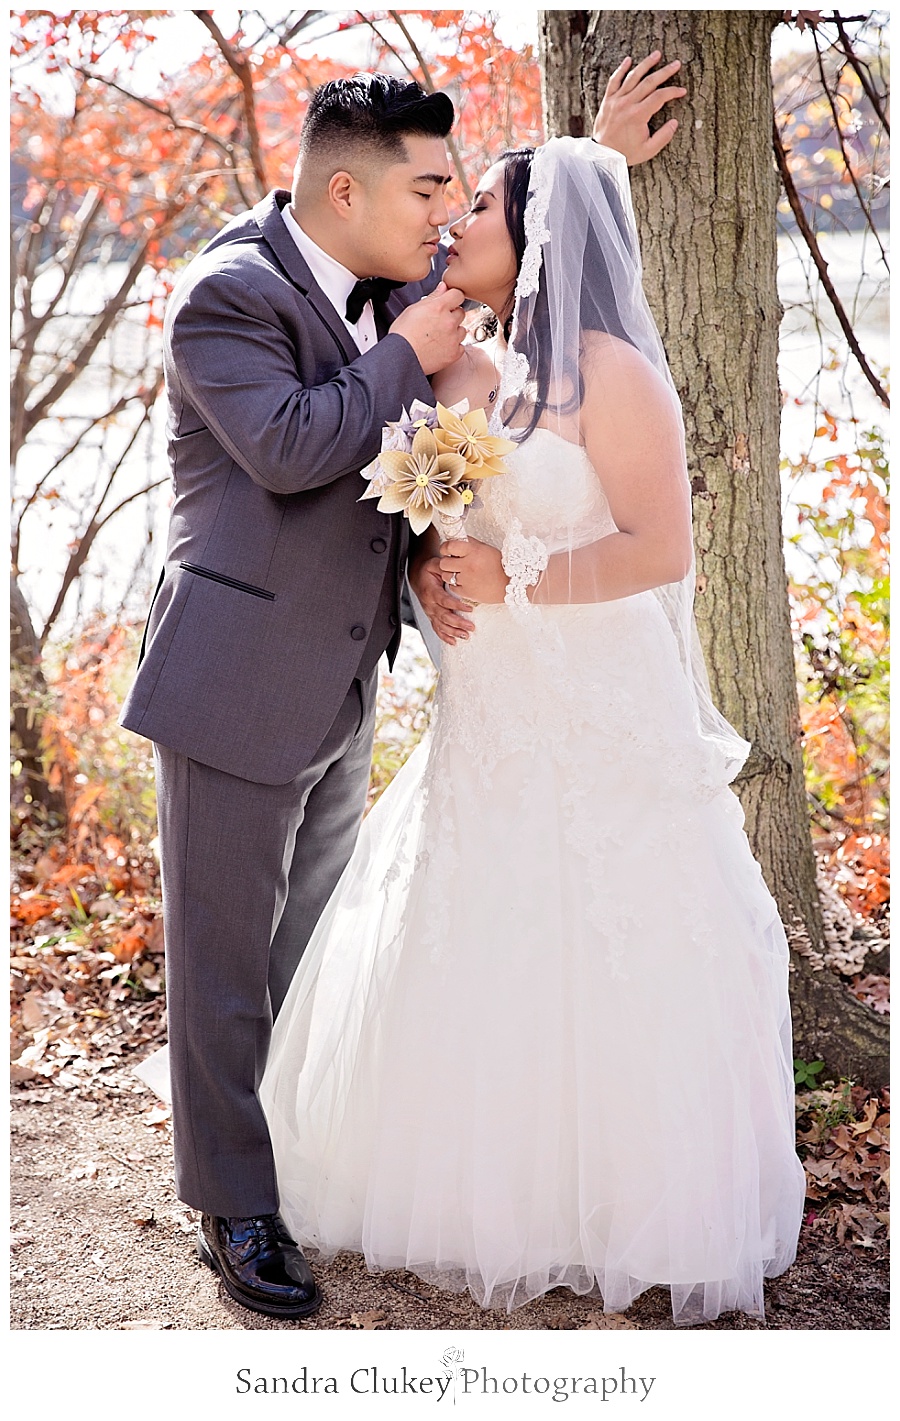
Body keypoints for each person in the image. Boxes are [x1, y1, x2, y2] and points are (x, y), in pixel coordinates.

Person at [123, 56, 686, 1321]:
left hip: (344, 675)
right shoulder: (229, 296)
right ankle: (233, 1206)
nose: (444, 214)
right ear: (344, 189)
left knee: (310, 941)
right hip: (236, 672)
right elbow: (286, 446)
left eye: (453, 192)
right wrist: (412, 353)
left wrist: (591, 151)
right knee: (222, 958)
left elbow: (531, 235)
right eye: (427, 186)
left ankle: (291, 1152)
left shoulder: (393, 273)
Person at [259, 137, 808, 1326]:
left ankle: (620, 1195)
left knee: (616, 922)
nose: (456, 225)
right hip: (489, 709)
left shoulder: (617, 376)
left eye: (483, 212)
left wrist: (515, 577)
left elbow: (664, 549)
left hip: (600, 698)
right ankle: (475, 1179)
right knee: (479, 916)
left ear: (542, 239)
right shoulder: (465, 372)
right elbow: (431, 517)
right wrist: (427, 564)